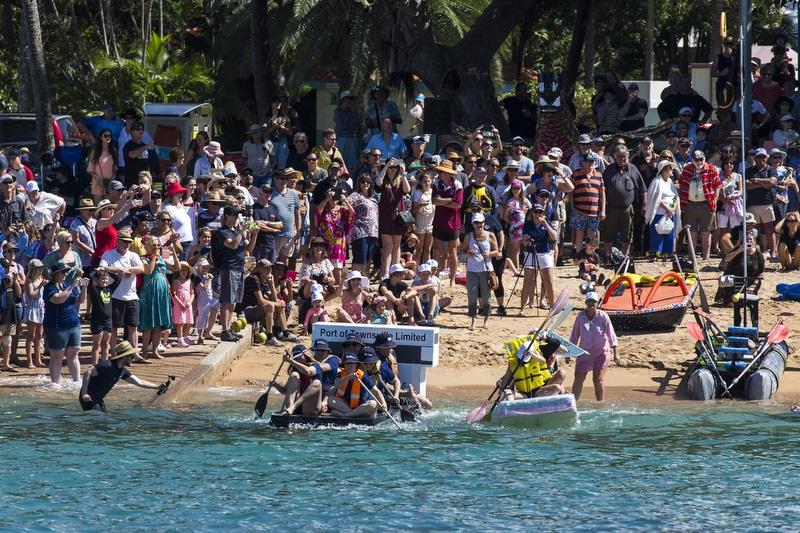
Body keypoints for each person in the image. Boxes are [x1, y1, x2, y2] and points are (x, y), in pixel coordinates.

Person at [79, 341, 163, 412]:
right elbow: (88, 372)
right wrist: (84, 394)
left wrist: (157, 387)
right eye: (132, 356)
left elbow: (139, 382)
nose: (133, 359)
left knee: (104, 418)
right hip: (89, 397)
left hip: (98, 398)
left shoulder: (122, 371)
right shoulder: (107, 365)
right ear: (125, 357)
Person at [99, 228, 144, 354]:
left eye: (129, 242)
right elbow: (102, 267)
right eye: (124, 241)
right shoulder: (109, 254)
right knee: (113, 327)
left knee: (133, 326)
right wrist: (118, 270)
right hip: (115, 295)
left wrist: (128, 270)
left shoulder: (133, 255)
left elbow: (141, 268)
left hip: (131, 295)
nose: (127, 244)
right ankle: (113, 352)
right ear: (117, 241)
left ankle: (134, 353)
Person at [569, 292, 619, 401]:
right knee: (578, 378)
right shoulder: (580, 317)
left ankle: (599, 404)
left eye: (593, 301)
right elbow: (574, 336)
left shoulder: (603, 316)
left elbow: (611, 335)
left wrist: (616, 353)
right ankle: (573, 403)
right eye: (588, 301)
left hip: (601, 353)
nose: (591, 304)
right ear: (586, 303)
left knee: (598, 379)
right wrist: (569, 353)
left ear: (597, 303)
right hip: (584, 353)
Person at [43, 261, 85, 383]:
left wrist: (84, 287)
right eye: (63, 272)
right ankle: (55, 384)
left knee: (74, 354)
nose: (66, 274)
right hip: (57, 326)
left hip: (73, 324)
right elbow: (57, 299)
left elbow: (81, 300)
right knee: (57, 356)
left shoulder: (66, 284)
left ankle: (77, 382)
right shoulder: (49, 287)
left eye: (66, 271)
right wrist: (72, 286)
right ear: (56, 274)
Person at [602, 145, 646, 257]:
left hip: (627, 208)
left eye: (625, 156)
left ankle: (625, 257)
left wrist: (644, 205)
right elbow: (602, 190)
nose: (622, 159)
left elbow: (643, 190)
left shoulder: (633, 169)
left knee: (627, 234)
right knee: (608, 234)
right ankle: (608, 256)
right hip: (611, 207)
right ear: (615, 157)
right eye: (620, 156)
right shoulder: (609, 170)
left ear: (628, 156)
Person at [278, 340, 341, 416]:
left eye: (323, 350)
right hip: (300, 404)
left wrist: (290, 361)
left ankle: (293, 408)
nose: (320, 352)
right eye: (317, 350)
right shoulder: (298, 368)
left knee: (317, 383)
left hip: (312, 405)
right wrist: (275, 384)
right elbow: (286, 391)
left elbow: (312, 370)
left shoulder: (318, 365)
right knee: (294, 374)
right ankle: (290, 409)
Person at [497, 336, 566, 401]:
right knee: (507, 391)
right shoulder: (513, 363)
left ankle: (558, 402)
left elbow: (543, 360)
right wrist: (501, 384)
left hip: (539, 390)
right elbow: (506, 378)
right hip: (525, 395)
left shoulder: (537, 358)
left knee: (557, 386)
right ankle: (511, 408)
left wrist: (532, 353)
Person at [462, 213, 500, 330]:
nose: (479, 225)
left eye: (480, 222)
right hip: (472, 269)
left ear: (484, 223)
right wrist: (468, 253)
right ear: (473, 224)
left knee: (486, 295)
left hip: (486, 269)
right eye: (476, 223)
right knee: (472, 295)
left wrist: (488, 254)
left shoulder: (490, 235)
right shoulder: (469, 236)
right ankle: (473, 320)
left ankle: (486, 318)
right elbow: (463, 250)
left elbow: (497, 251)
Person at [376, 158, 411, 278]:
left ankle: (395, 272)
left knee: (396, 246)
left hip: (398, 218)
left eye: (394, 168)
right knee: (387, 247)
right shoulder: (384, 181)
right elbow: (378, 182)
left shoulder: (400, 180)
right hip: (386, 218)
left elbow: (407, 190)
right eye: (391, 167)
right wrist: (386, 166)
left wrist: (403, 172)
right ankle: (385, 273)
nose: (392, 169)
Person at [519, 204, 557, 314]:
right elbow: (524, 239)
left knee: (548, 281)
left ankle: (552, 308)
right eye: (536, 212)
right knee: (527, 281)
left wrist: (545, 224)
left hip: (545, 252)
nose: (538, 214)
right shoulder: (528, 224)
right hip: (531, 252)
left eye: (540, 212)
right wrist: (527, 241)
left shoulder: (547, 223)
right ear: (532, 213)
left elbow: (554, 237)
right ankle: (522, 308)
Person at [431, 160, 464, 286]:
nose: (439, 173)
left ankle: (452, 278)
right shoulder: (436, 183)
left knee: (452, 251)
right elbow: (434, 201)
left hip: (453, 223)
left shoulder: (457, 185)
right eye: (439, 171)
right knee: (437, 251)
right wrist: (450, 200)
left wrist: (443, 201)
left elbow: (458, 204)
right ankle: (435, 276)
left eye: (442, 171)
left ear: (448, 173)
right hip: (439, 222)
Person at [329, 353, 387, 419]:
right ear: (344, 365)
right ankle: (355, 414)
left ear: (356, 364)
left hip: (362, 406)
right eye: (347, 363)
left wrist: (384, 404)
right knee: (330, 400)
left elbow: (375, 390)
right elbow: (337, 384)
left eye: (352, 363)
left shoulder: (362, 375)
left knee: (373, 404)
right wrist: (349, 377)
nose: (350, 366)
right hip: (346, 406)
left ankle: (346, 415)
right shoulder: (340, 374)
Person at [744, 148, 778, 259]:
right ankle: (761, 250)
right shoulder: (749, 170)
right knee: (755, 230)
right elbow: (746, 185)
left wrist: (756, 180)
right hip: (753, 204)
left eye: (763, 157)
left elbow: (772, 182)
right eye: (759, 157)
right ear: (755, 157)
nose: (761, 159)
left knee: (769, 229)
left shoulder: (771, 169)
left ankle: (773, 252)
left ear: (766, 157)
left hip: (766, 203)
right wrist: (765, 183)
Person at [570, 155, 605, 255]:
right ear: (582, 162)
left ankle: (591, 257)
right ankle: (579, 256)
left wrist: (603, 210)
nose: (590, 164)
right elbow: (570, 191)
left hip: (594, 211)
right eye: (587, 162)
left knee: (592, 236)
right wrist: (572, 205)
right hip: (579, 210)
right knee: (579, 235)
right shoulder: (575, 174)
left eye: (591, 162)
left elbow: (602, 193)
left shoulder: (598, 175)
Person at [645, 160, 680, 258]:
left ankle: (667, 254)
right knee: (657, 235)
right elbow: (655, 199)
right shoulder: (656, 181)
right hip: (658, 214)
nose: (671, 170)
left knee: (669, 235)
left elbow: (675, 197)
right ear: (663, 170)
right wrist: (666, 208)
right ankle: (656, 253)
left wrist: (672, 208)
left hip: (670, 215)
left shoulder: (670, 182)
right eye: (669, 168)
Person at [348, 175, 379, 276]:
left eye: (368, 182)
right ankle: (355, 278)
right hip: (359, 231)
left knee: (367, 258)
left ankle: (363, 280)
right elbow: (345, 205)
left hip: (373, 232)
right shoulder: (355, 195)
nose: (365, 184)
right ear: (359, 183)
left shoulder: (373, 198)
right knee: (359, 257)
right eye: (363, 182)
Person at [269, 168, 302, 264]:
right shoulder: (270, 193)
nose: (284, 181)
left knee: (285, 261)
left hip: (290, 234)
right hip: (275, 234)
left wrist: (298, 231)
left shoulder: (293, 194)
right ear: (275, 179)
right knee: (272, 260)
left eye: (286, 178)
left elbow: (297, 213)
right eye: (281, 178)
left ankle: (282, 279)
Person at [716, 157, 744, 256]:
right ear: (723, 165)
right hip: (722, 206)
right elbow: (716, 192)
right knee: (722, 229)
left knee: (733, 229)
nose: (729, 165)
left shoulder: (738, 176)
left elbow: (741, 191)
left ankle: (732, 250)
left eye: (731, 163)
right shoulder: (719, 177)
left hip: (734, 206)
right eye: (727, 163)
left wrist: (733, 197)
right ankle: (724, 252)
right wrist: (724, 199)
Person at [22, 259, 46, 368]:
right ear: (33, 269)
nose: (40, 270)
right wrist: (40, 286)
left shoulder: (41, 278)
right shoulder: (29, 280)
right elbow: (31, 295)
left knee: (39, 336)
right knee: (31, 336)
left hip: (41, 308)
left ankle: (38, 360)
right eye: (38, 268)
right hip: (32, 309)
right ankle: (29, 361)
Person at [87, 128, 118, 202]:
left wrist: (112, 180)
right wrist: (98, 180)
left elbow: (115, 168)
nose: (108, 137)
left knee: (109, 206)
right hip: (97, 182)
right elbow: (90, 169)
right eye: (106, 135)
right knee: (99, 207)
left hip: (110, 184)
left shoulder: (113, 150)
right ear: (101, 137)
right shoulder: (95, 151)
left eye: (110, 136)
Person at [171, 261, 195, 348]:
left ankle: (185, 336)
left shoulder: (189, 281)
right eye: (182, 270)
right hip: (179, 304)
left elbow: (192, 293)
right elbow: (173, 294)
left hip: (188, 304)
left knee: (189, 322)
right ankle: (180, 339)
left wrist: (190, 302)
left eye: (186, 270)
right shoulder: (176, 281)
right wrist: (181, 304)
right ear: (178, 271)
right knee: (180, 322)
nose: (184, 272)